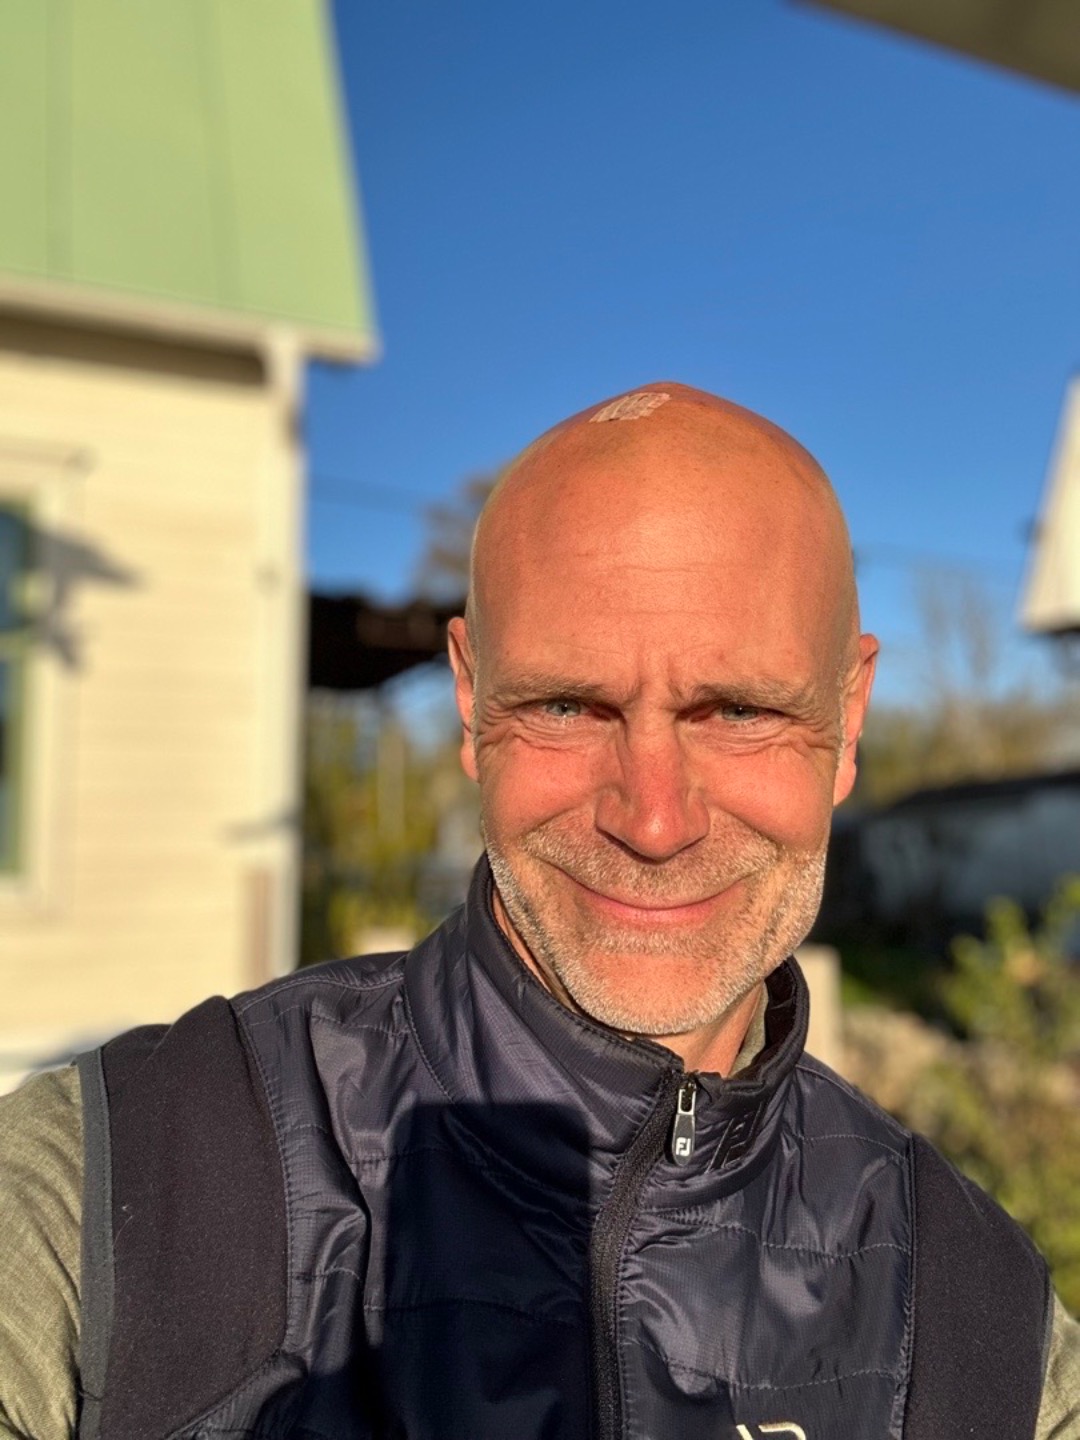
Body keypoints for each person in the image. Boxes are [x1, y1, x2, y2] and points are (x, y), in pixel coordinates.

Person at [2, 382, 1078, 1439]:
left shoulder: (981, 1322)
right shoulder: (121, 1191)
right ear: (471, 699)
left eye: (739, 711)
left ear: (849, 717)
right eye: (567, 705)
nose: (654, 820)